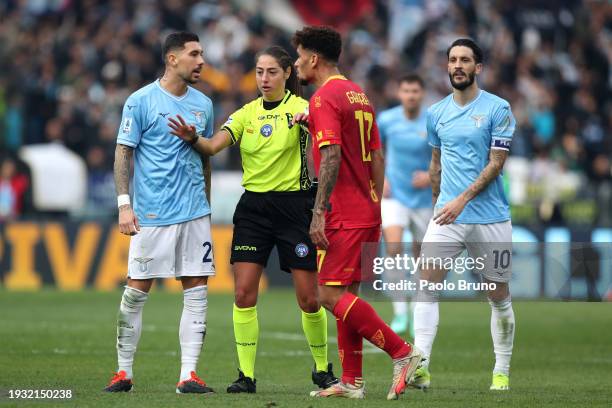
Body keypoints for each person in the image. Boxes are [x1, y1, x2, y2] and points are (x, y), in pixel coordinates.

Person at [168, 45, 337, 394]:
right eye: (259, 72)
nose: (264, 78)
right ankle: (246, 376)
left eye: (272, 72)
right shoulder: (245, 114)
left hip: (295, 209)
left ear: (288, 73)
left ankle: (322, 369)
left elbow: (331, 144)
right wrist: (193, 139)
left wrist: (312, 126)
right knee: (244, 294)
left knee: (309, 299)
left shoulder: (304, 109)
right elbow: (214, 146)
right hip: (254, 211)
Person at [292, 26, 422, 400]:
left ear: (313, 59)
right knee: (348, 295)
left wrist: (319, 212)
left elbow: (331, 155)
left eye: (300, 57)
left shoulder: (322, 98)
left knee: (328, 295)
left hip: (344, 212)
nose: (297, 63)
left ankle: (403, 352)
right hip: (367, 207)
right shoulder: (358, 94)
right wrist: (376, 202)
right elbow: (375, 155)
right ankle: (352, 382)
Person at [104, 32, 215, 394]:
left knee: (196, 289)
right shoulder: (141, 102)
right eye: (194, 54)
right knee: (136, 290)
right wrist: (125, 205)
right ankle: (123, 373)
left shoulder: (204, 105)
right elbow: (124, 152)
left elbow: (206, 155)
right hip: (152, 214)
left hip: (194, 212)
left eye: (201, 54)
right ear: (172, 59)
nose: (201, 61)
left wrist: (207, 206)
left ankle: (188, 375)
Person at [411, 38, 516, 391]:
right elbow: (436, 162)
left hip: (491, 218)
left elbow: (495, 165)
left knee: (497, 296)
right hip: (446, 217)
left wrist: (461, 200)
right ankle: (420, 366)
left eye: (465, 60)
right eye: (453, 59)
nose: (457, 65)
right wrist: (438, 202)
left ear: (478, 67)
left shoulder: (498, 109)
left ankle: (501, 369)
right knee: (425, 286)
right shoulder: (436, 112)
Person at [377, 74, 432, 337]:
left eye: (415, 91)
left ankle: (417, 310)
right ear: (399, 93)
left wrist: (431, 176)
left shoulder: (432, 121)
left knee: (422, 256)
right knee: (394, 248)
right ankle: (400, 312)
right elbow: (372, 151)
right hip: (394, 195)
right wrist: (381, 178)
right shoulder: (387, 120)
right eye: (406, 90)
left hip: (423, 198)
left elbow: (443, 154)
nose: (410, 95)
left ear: (422, 94)